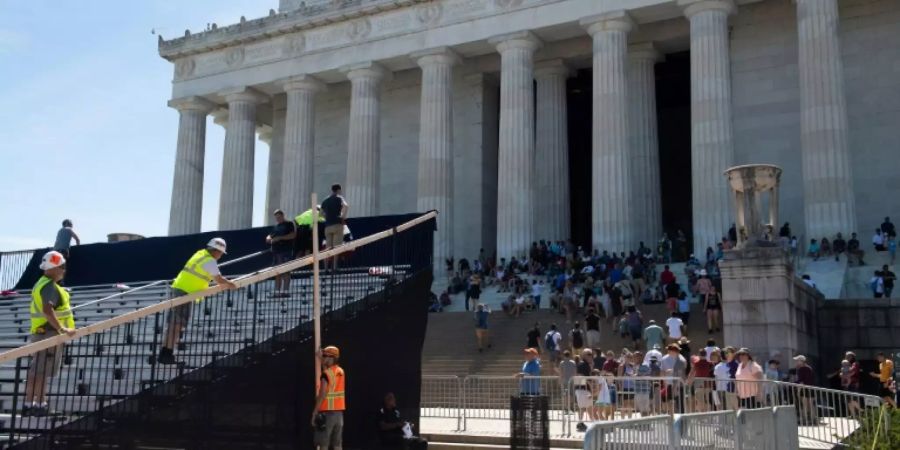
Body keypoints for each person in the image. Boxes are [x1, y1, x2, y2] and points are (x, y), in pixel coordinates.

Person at [158, 238, 237, 365]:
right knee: (177, 324)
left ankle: (166, 353)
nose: (221, 256)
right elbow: (219, 279)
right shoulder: (209, 260)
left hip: (181, 289)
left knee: (175, 324)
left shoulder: (200, 254)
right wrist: (231, 284)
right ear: (216, 251)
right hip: (185, 292)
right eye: (221, 253)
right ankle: (167, 354)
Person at [23, 251, 76, 417]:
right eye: (62, 267)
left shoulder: (41, 283)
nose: (64, 271)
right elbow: (48, 310)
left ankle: (29, 403)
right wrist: (62, 329)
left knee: (36, 370)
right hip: (49, 333)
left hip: (40, 332)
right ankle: (39, 404)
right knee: (42, 371)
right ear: (54, 268)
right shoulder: (49, 286)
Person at [313, 346, 345, 450]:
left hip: (327, 414)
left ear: (331, 358)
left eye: (325, 355)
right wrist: (322, 361)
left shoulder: (326, 374)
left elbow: (322, 394)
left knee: (323, 444)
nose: (323, 357)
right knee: (337, 445)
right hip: (339, 415)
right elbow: (330, 374)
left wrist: (315, 412)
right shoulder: (340, 371)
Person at [267, 209, 297, 297]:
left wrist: (280, 238)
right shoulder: (276, 227)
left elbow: (293, 235)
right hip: (276, 252)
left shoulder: (289, 224)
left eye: (279, 217)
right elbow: (270, 235)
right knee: (277, 272)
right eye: (276, 218)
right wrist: (268, 238)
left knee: (286, 272)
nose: (278, 219)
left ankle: (285, 291)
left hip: (286, 251)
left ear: (283, 216)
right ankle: (277, 292)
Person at [321, 184, 349, 270]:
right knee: (336, 247)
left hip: (328, 226)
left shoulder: (325, 200)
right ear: (339, 190)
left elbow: (320, 213)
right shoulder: (339, 198)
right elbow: (346, 206)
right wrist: (342, 216)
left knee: (328, 248)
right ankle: (334, 267)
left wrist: (327, 217)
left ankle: (325, 268)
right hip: (337, 224)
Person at [793, 355, 817, 424]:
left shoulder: (802, 369)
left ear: (801, 361)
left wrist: (793, 383)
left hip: (805, 388)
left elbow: (801, 380)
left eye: (797, 360)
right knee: (810, 404)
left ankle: (806, 419)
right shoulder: (808, 368)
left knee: (805, 404)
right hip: (810, 388)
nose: (796, 362)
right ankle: (812, 419)